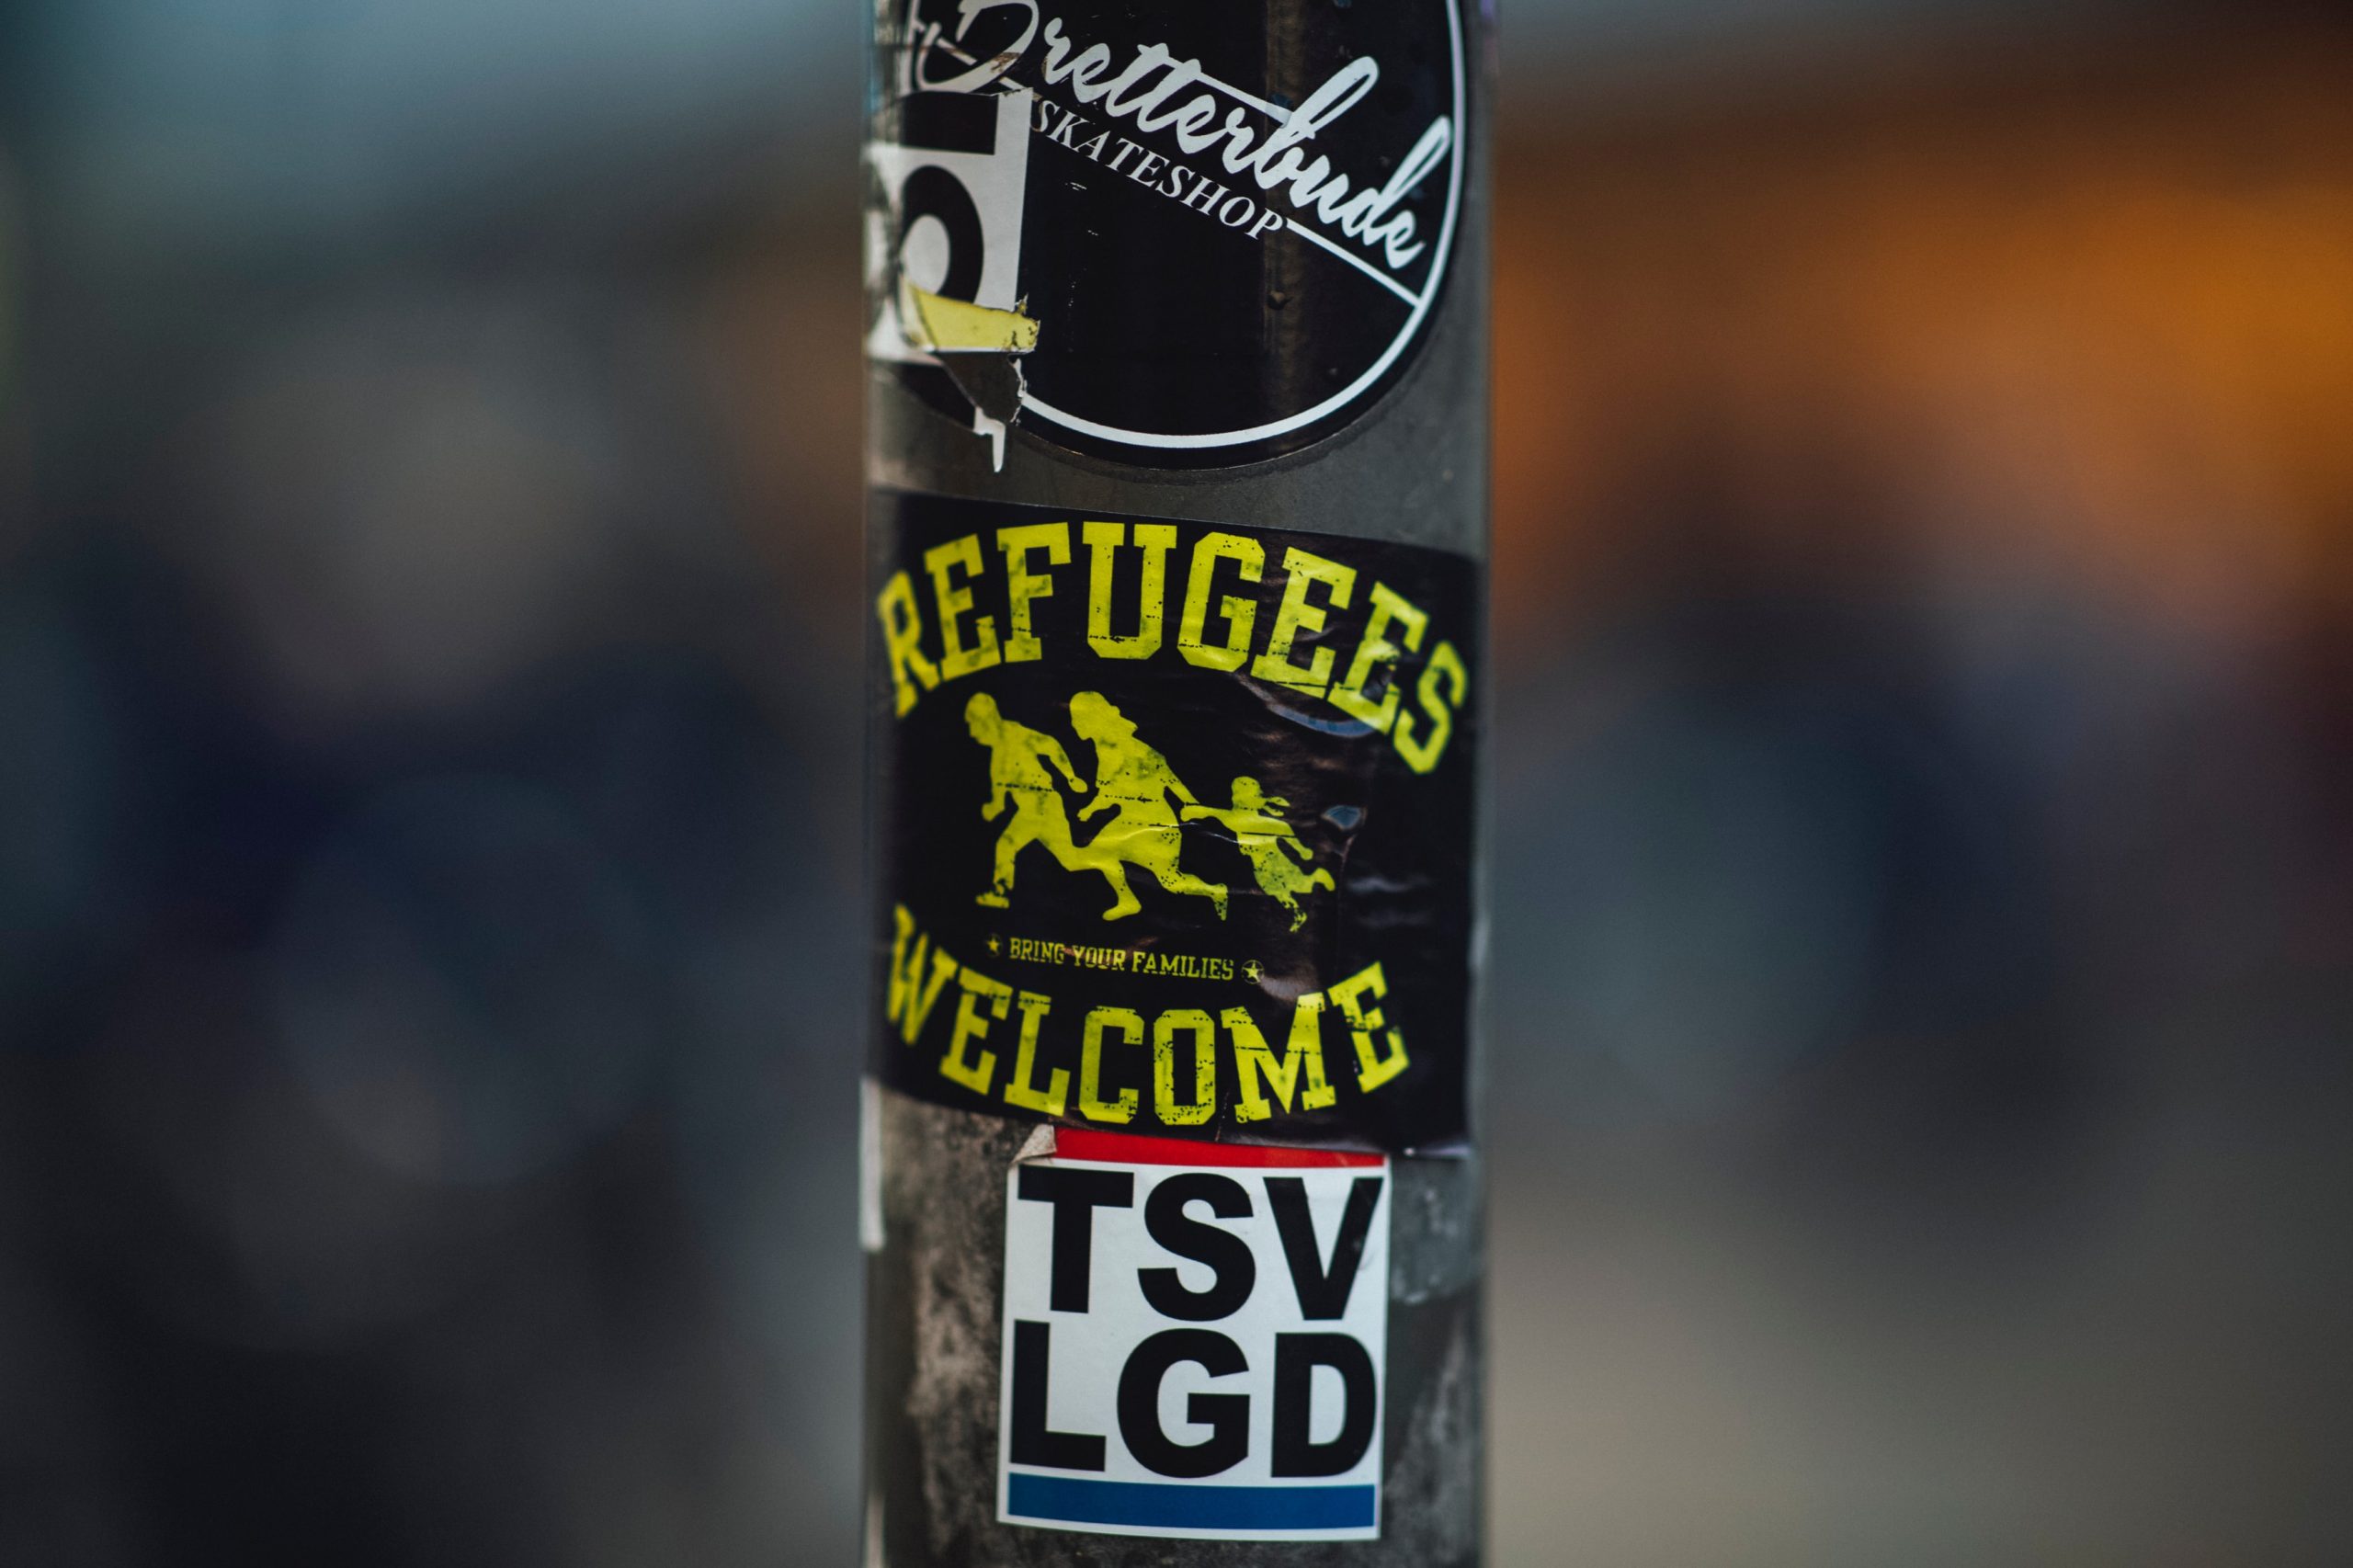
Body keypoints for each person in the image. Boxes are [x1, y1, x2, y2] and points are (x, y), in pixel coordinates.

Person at [1068, 690, 1228, 922]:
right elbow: (1112, 791)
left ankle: (1215, 891)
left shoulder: (1135, 749)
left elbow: (1166, 775)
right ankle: (1127, 900)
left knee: (1171, 882)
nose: (1074, 724)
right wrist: (1091, 809)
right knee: (1101, 853)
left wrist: (1190, 802)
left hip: (1158, 823)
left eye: (1077, 718)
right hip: (1129, 818)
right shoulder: (1105, 748)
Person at [963, 692, 1111, 909]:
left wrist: (1071, 778)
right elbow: (1000, 793)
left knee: (1009, 846)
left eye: (974, 725)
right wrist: (992, 808)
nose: (972, 733)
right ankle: (1109, 859)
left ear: (987, 721)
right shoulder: (998, 756)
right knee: (1070, 861)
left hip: (1043, 805)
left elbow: (1050, 744)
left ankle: (1000, 894)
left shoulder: (1017, 734)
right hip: (1034, 810)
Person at [1183, 775, 1335, 930]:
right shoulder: (1235, 818)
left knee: (1299, 886)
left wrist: (1301, 850)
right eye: (1238, 794)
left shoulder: (1265, 823)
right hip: (1259, 865)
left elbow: (1285, 831)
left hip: (1276, 861)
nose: (1239, 799)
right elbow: (1214, 813)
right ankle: (1297, 913)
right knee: (1274, 890)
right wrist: (1195, 812)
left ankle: (1317, 876)